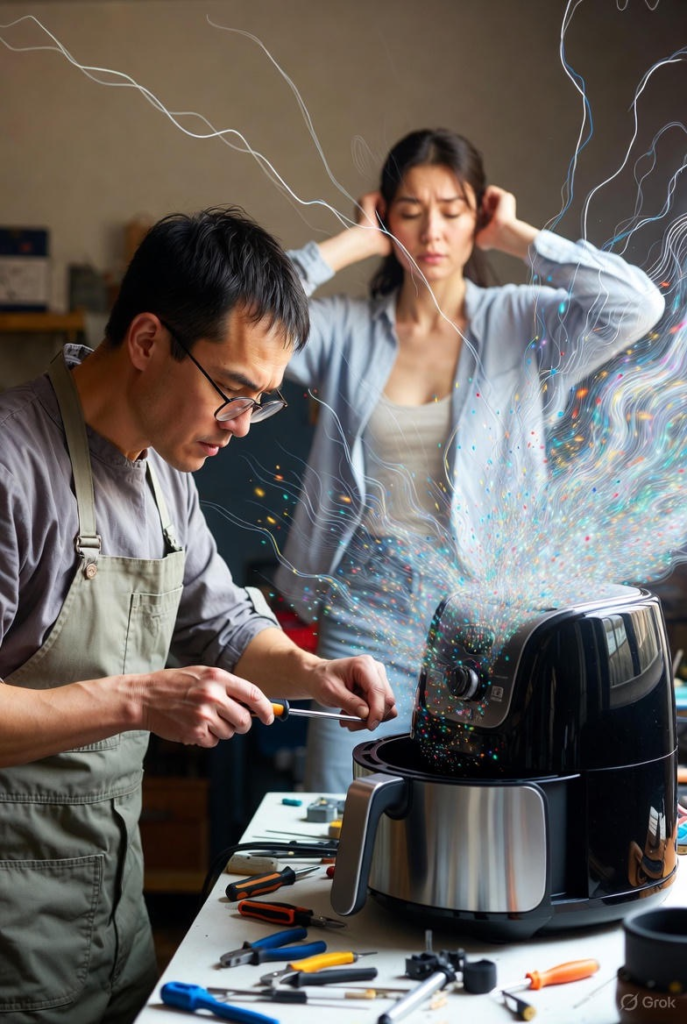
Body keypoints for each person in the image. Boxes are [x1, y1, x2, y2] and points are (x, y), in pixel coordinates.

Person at [0, 207, 396, 1024]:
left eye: (262, 403)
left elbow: (217, 621)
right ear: (147, 342)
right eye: (233, 393)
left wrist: (312, 671)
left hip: (111, 909)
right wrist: (141, 701)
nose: (241, 427)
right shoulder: (13, 467)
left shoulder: (163, 469)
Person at [275, 127, 665, 794]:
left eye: (452, 211)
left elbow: (637, 305)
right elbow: (245, 307)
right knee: (342, 802)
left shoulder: (522, 323)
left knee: (476, 799)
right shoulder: (342, 331)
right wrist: (351, 242)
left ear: (475, 216)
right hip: (365, 603)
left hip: (484, 609)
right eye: (409, 211)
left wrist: (516, 237)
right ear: (383, 215)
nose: (431, 231)